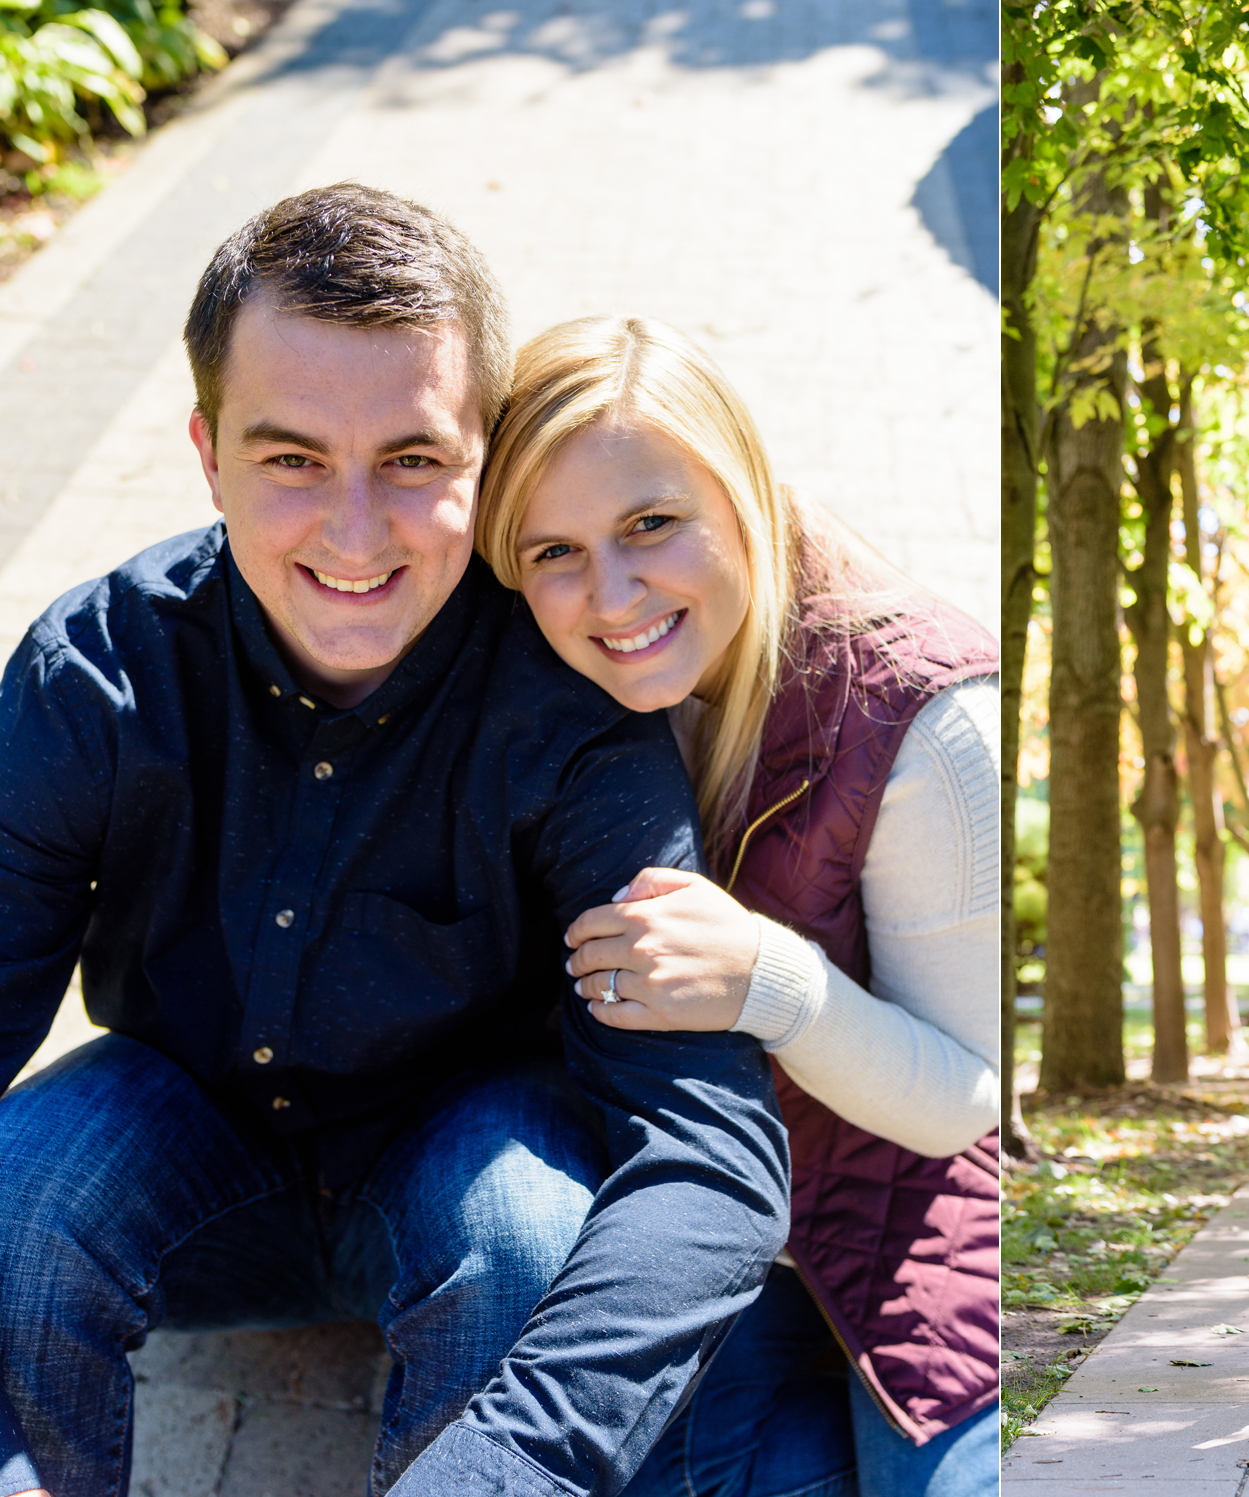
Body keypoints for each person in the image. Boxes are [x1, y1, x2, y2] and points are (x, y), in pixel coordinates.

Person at [0, 186, 790, 1497]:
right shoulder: (97, 673)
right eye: (291, 458)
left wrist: (503, 1467)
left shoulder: (574, 716)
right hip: (184, 1148)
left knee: (534, 1231)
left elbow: (708, 1157)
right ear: (207, 453)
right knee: (21, 1190)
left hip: (457, 1189)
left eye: (414, 461)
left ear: (483, 458)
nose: (356, 533)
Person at [471, 315, 1000, 1497]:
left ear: (745, 493)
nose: (611, 596)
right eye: (552, 551)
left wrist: (771, 978)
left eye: (650, 525)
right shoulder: (538, 675)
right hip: (691, 1204)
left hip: (893, 1230)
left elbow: (964, 1096)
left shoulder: (923, 718)